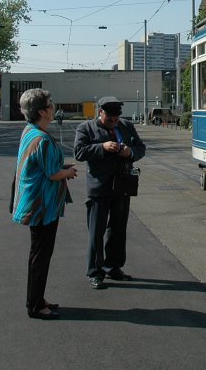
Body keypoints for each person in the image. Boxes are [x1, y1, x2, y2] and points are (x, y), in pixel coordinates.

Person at [11, 88, 77, 320]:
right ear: (42, 111)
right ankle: (35, 305)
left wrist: (62, 169)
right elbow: (52, 174)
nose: (53, 107)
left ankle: (37, 299)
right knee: (41, 255)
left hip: (32, 202)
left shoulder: (30, 131)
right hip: (42, 205)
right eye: (50, 104)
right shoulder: (43, 139)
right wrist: (68, 172)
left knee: (37, 253)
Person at [74, 96, 146, 290]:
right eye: (109, 119)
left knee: (118, 229)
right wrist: (102, 147)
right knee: (96, 231)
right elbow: (79, 152)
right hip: (99, 186)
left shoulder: (126, 126)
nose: (114, 122)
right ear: (100, 113)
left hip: (122, 186)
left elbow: (141, 148)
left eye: (116, 118)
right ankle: (95, 272)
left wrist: (130, 152)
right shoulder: (85, 128)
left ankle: (113, 267)